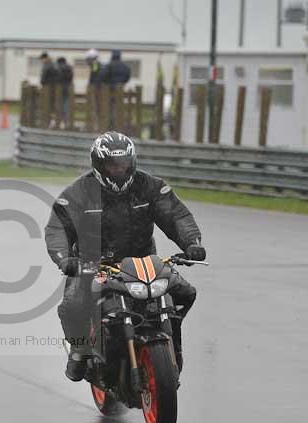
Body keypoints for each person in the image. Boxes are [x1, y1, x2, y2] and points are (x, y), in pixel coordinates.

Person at [44, 132, 206, 382]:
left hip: (143, 262)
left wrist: (192, 243)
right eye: (113, 165)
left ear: (133, 162)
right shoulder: (78, 192)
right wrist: (65, 259)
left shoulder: (150, 186)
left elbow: (176, 216)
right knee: (72, 306)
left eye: (124, 164)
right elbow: (57, 228)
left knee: (186, 293)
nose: (120, 170)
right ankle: (79, 351)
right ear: (99, 165)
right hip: (93, 265)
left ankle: (172, 338)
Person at [99, 50, 131, 129]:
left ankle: (111, 125)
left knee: (110, 108)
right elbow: (127, 77)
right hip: (121, 90)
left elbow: (102, 76)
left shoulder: (108, 66)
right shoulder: (125, 67)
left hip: (110, 90)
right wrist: (122, 83)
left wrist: (107, 83)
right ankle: (120, 124)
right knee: (120, 107)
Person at [85, 49, 102, 130]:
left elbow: (94, 75)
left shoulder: (95, 64)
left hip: (96, 90)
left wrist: (91, 84)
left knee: (96, 107)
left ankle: (96, 125)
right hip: (97, 89)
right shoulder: (97, 64)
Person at [56, 57, 73, 127]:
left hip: (61, 89)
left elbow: (58, 77)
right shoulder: (69, 68)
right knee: (66, 105)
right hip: (68, 88)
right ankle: (66, 121)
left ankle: (61, 121)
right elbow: (71, 77)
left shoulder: (59, 68)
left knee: (60, 105)